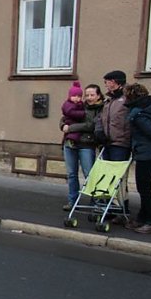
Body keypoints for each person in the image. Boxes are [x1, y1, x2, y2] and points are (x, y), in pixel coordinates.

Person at [123, 84, 151, 234]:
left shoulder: (138, 113)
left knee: (144, 188)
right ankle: (142, 218)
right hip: (146, 153)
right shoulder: (149, 106)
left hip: (147, 154)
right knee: (144, 188)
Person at [59, 81, 95, 210]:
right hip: (70, 143)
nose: (87, 98)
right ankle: (72, 201)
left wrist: (70, 128)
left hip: (86, 144)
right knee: (72, 174)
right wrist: (63, 126)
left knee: (89, 174)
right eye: (87, 95)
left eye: (92, 95)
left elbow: (90, 125)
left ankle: (94, 202)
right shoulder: (73, 106)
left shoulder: (89, 109)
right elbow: (63, 120)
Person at [100, 70, 130, 162]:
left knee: (117, 173)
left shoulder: (128, 98)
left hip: (120, 144)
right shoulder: (109, 100)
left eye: (106, 82)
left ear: (113, 82)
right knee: (107, 173)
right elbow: (101, 117)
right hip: (107, 143)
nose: (105, 85)